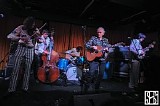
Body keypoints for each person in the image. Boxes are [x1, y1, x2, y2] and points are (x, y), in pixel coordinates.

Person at [6, 16, 40, 94]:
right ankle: (12, 89)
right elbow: (10, 36)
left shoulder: (35, 30)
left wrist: (38, 36)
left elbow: (40, 40)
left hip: (30, 50)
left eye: (34, 24)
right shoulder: (20, 28)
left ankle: (25, 88)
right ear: (27, 24)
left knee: (28, 70)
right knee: (16, 69)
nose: (33, 26)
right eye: (31, 24)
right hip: (21, 48)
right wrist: (19, 38)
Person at [85, 27, 111, 92]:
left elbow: (107, 48)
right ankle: (87, 87)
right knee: (91, 73)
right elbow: (86, 45)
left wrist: (107, 50)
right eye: (98, 32)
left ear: (103, 33)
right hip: (94, 58)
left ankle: (97, 87)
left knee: (101, 74)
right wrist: (92, 47)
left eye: (100, 32)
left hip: (103, 59)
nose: (99, 33)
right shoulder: (93, 38)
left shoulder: (106, 40)